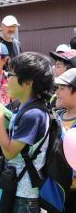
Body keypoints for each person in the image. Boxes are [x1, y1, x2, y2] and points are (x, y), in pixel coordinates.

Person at [0, 52, 54, 213]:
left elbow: (10, 152)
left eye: (11, 74)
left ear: (27, 82)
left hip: (24, 196)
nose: (6, 78)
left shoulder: (34, 114)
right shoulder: (26, 107)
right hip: (15, 187)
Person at [54, 68, 76, 212]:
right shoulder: (55, 117)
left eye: (62, 88)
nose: (57, 93)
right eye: (57, 88)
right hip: (55, 189)